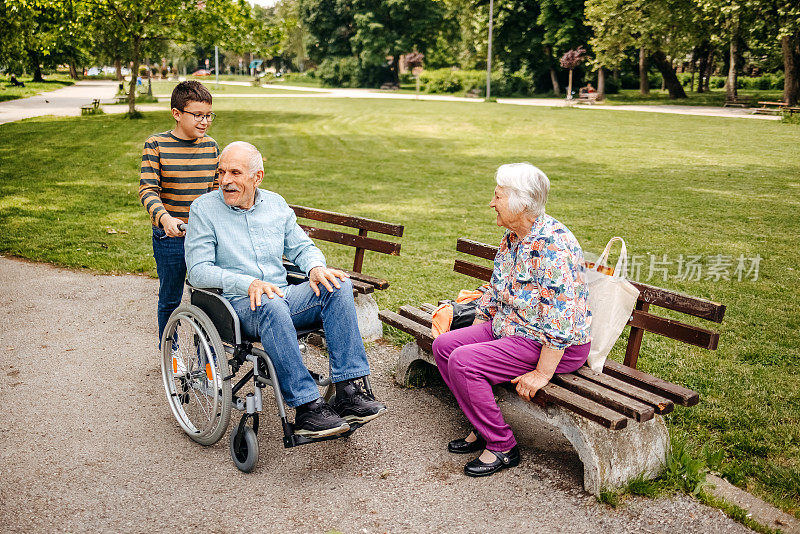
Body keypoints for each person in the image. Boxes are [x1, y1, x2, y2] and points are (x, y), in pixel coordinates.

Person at [184, 141, 387, 439]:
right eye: (221, 172)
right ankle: (307, 407)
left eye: (235, 173)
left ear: (258, 177)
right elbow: (199, 270)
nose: (225, 181)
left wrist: (316, 267)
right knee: (271, 302)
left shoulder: (276, 205)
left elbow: (302, 247)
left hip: (281, 296)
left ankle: (348, 390)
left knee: (337, 284)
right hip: (237, 306)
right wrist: (247, 283)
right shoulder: (204, 209)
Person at [432, 163, 592, 477]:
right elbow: (496, 288)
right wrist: (480, 329)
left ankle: (502, 445)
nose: (491, 203)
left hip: (554, 345)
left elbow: (561, 323)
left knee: (465, 363)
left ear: (520, 204)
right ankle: (482, 425)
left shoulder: (553, 248)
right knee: (444, 347)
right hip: (513, 327)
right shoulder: (513, 236)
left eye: (498, 197)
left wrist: (543, 373)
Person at [138, 81, 219, 349]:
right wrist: (165, 218)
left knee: (208, 300)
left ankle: (206, 359)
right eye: (197, 115)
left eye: (208, 115)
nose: (204, 121)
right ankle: (169, 355)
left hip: (205, 237)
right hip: (170, 237)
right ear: (176, 113)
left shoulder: (211, 147)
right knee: (170, 299)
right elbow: (148, 190)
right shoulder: (156, 144)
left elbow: (216, 192)